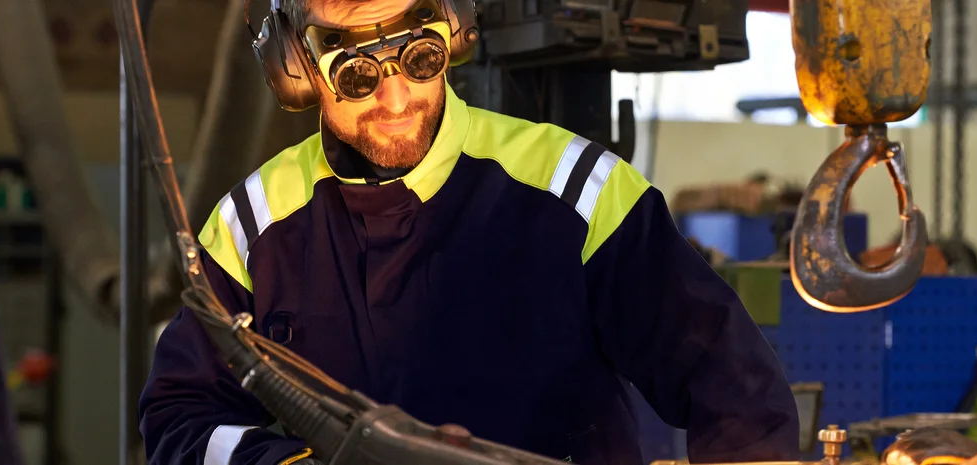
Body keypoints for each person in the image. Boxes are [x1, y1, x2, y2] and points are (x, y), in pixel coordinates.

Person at [137, 0, 799, 463]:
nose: (395, 102)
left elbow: (734, 385)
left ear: (451, 29)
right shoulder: (252, 228)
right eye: (358, 75)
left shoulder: (577, 192)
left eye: (419, 59)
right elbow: (178, 416)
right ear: (297, 68)